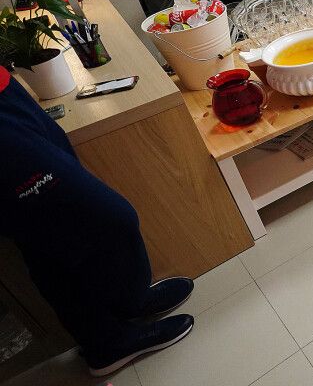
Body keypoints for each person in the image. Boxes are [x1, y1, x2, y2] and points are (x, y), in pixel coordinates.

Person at [0, 69, 195, 377]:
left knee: (52, 234)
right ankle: (107, 342)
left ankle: (126, 305)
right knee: (107, 221)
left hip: (6, 94)